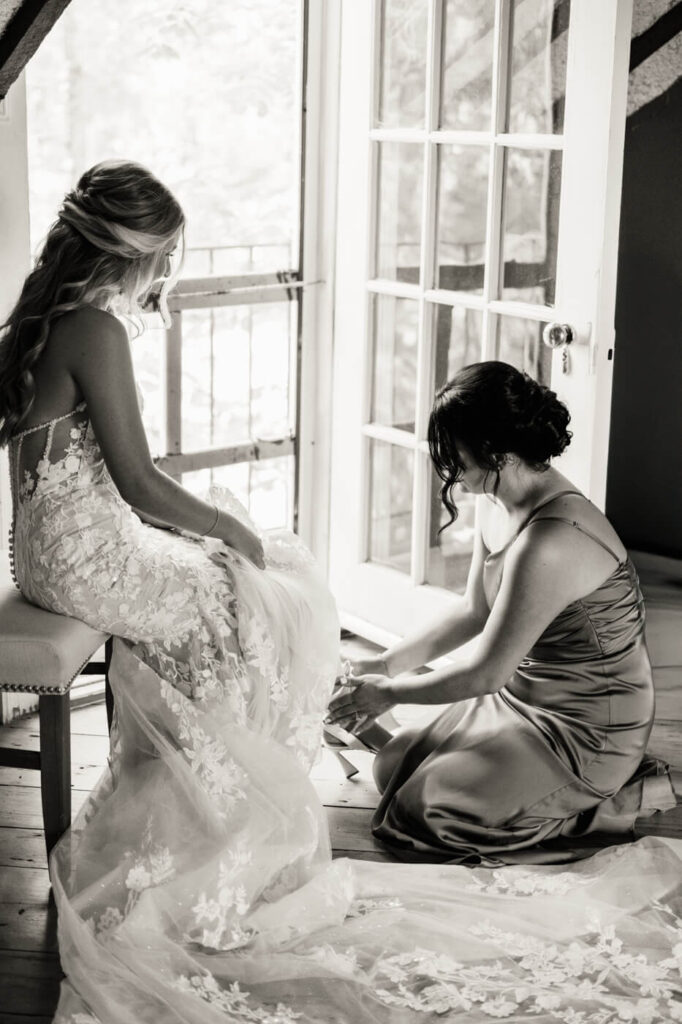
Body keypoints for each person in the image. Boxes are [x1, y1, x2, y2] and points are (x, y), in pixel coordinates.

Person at [2, 165, 681, 1023]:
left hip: (48, 550)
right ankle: (212, 825)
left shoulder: (47, 320)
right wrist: (225, 534)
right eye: (166, 255)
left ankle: (205, 794)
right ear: (130, 248)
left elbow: (482, 656)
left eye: (459, 462)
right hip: (84, 549)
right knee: (244, 597)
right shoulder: (94, 326)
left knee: (264, 610)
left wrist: (377, 684)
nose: (166, 273)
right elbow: (137, 480)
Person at [327, 362, 677, 864]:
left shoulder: (552, 541)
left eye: (456, 456)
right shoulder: (495, 499)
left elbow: (488, 671)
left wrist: (386, 694)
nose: (449, 470)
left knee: (429, 812)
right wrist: (383, 666)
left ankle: (619, 799)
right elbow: (473, 611)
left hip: (587, 726)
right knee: (392, 769)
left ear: (496, 452)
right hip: (524, 697)